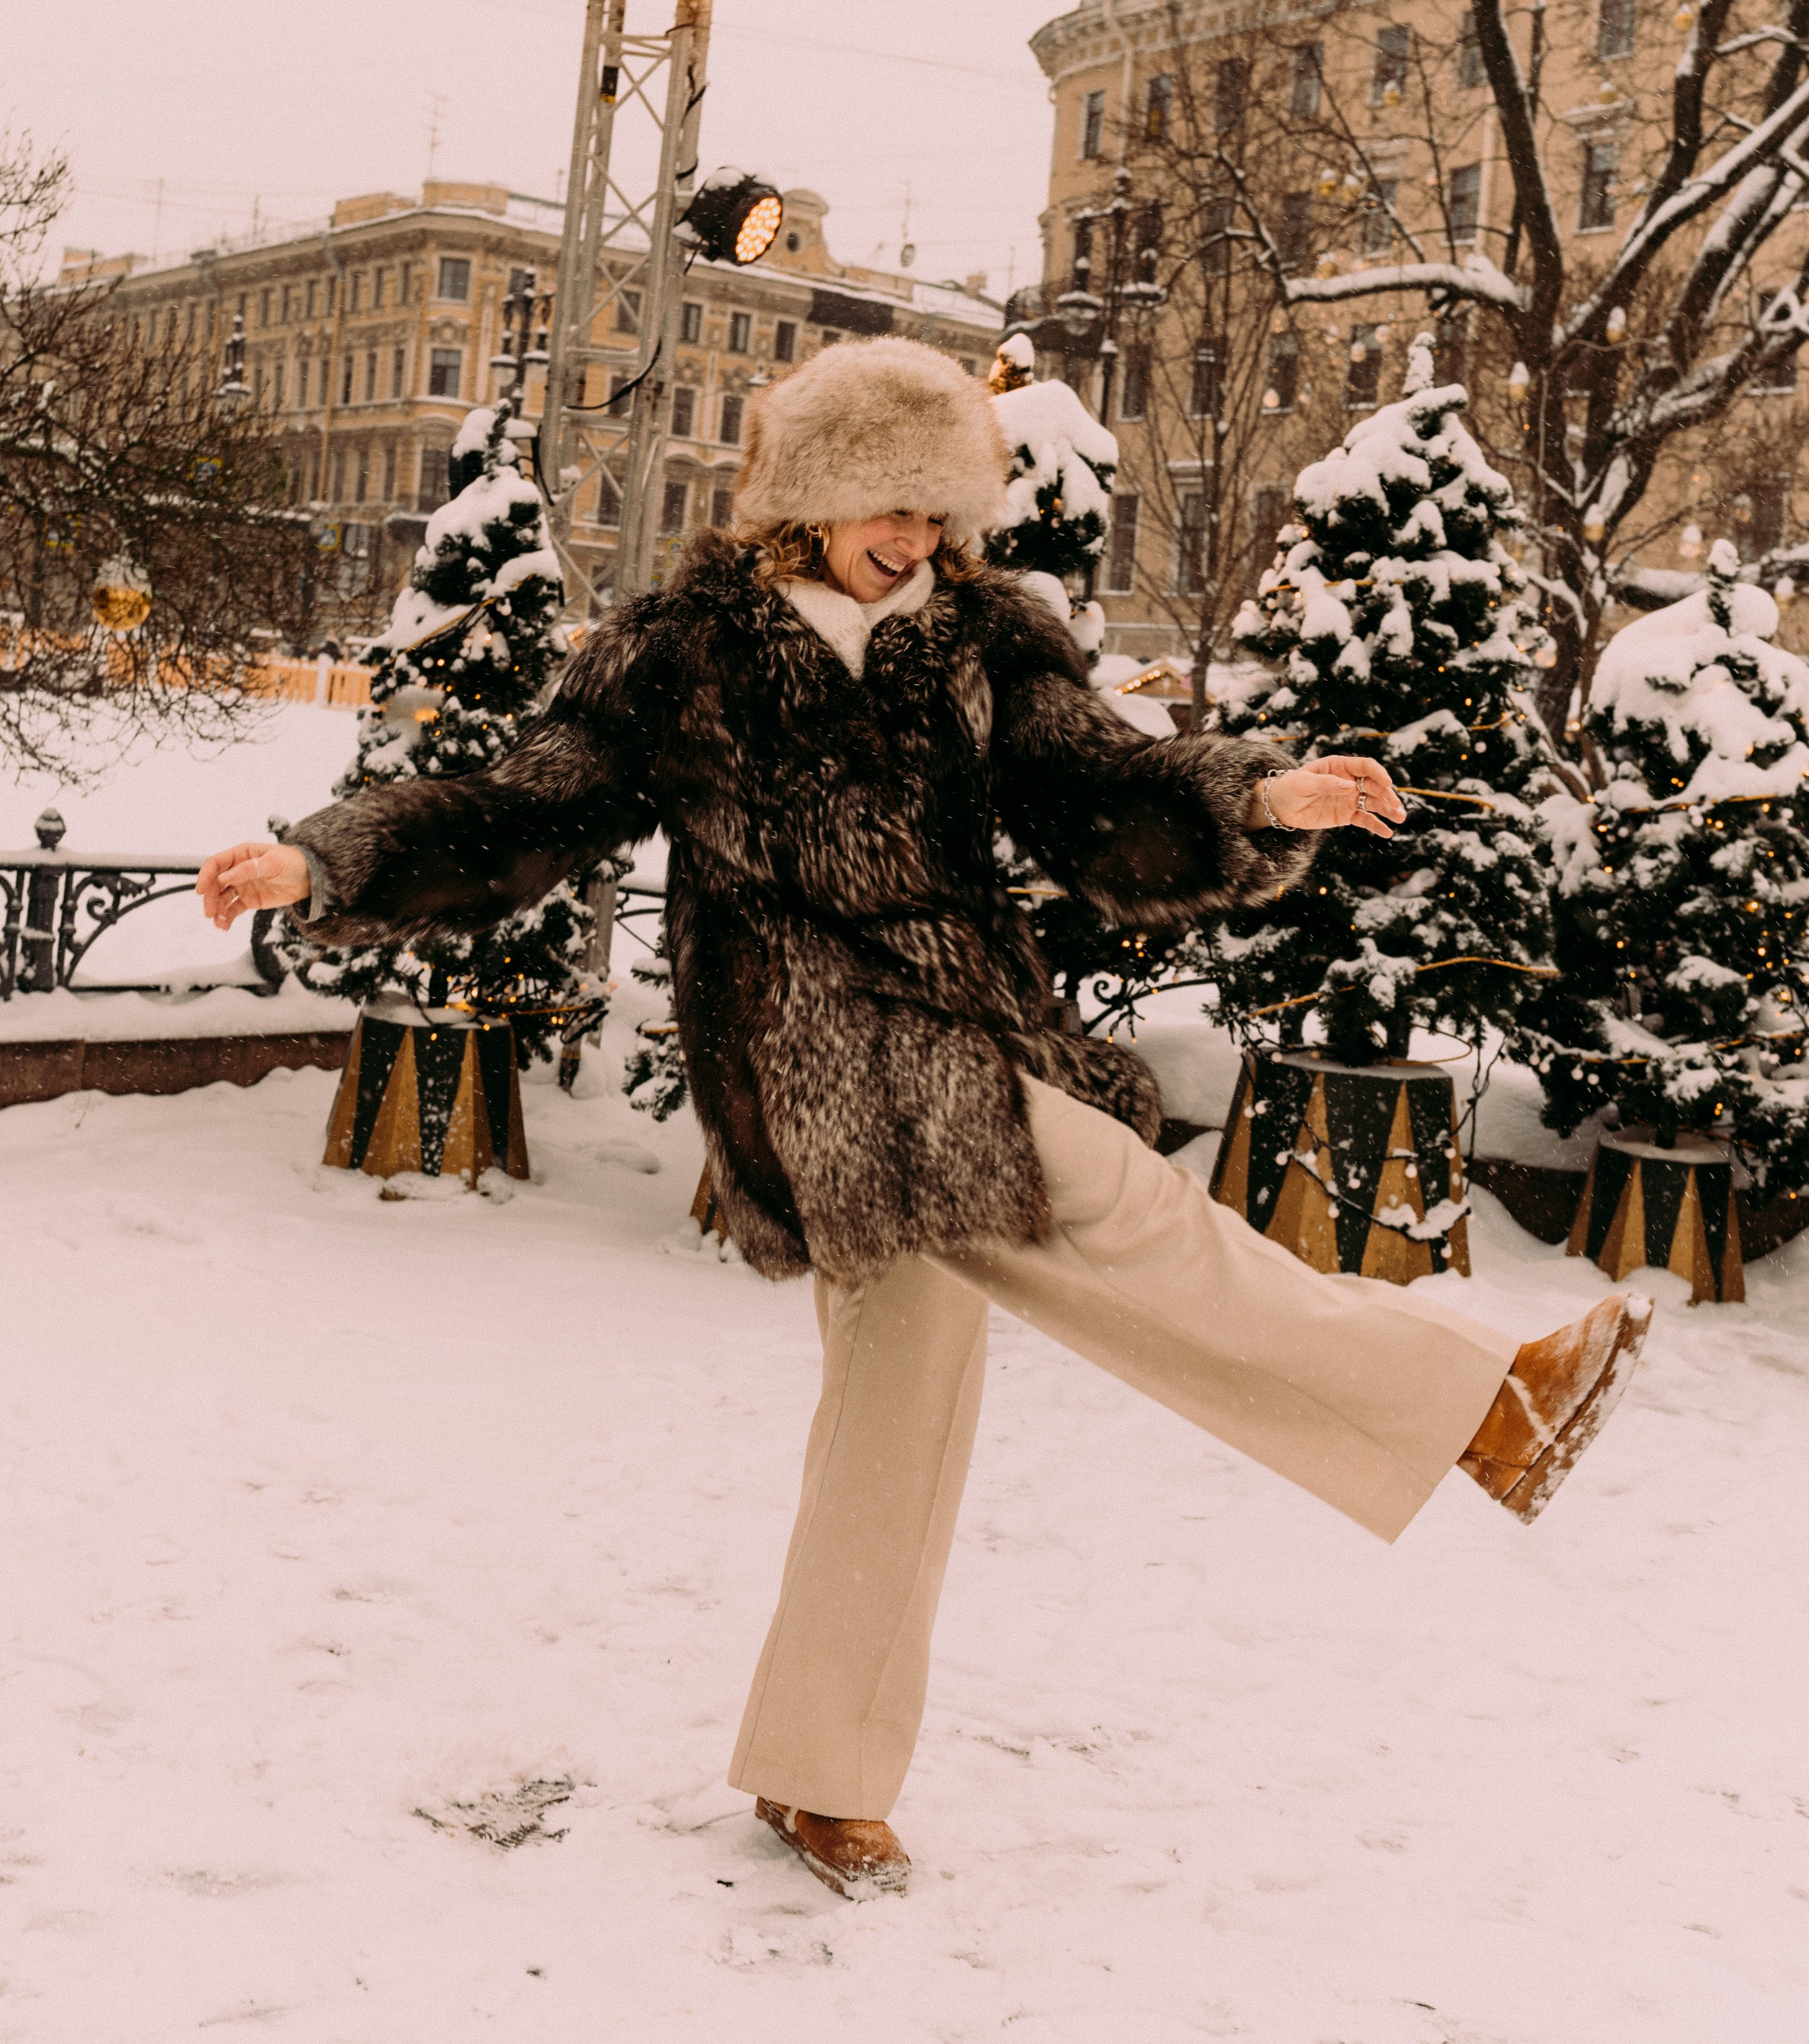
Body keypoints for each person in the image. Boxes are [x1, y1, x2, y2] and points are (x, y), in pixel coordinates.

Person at [200, 337, 1649, 1904]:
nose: (912, 537)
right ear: (808, 501)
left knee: (895, 1419)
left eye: (935, 509)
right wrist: (331, 859)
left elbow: (1097, 787)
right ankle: (1475, 1409)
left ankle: (820, 1778)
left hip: (962, 1017)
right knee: (1123, 1204)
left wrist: (1256, 798)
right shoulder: (679, 650)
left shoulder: (979, 640)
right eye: (883, 506)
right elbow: (529, 802)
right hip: (801, 1042)